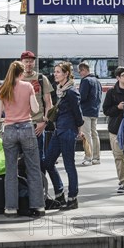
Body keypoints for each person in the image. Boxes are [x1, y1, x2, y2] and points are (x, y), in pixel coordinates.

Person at [0, 61, 45, 217]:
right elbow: (35, 109)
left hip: (9, 130)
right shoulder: (27, 86)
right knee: (33, 169)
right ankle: (38, 207)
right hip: (27, 129)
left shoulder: (2, 89)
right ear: (21, 74)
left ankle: (10, 208)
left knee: (10, 171)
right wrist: (34, 94)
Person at [42, 62, 84, 210]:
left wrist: (79, 129)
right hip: (59, 130)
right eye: (55, 71)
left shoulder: (71, 92)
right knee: (48, 162)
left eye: (58, 72)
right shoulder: (60, 90)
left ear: (66, 74)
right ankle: (59, 193)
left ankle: (73, 198)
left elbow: (78, 113)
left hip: (67, 131)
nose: (55, 74)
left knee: (69, 165)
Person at [102, 66, 124, 194]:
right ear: (118, 78)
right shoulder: (112, 92)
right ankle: (123, 182)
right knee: (118, 156)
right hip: (115, 128)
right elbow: (106, 110)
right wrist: (118, 107)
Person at [20, 51, 54, 164]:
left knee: (39, 158)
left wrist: (45, 122)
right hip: (20, 124)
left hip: (37, 125)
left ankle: (40, 181)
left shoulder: (41, 78)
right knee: (21, 159)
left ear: (34, 63)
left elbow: (49, 103)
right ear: (21, 62)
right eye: (26, 61)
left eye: (31, 61)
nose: (29, 64)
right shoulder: (17, 79)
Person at [78, 62, 102, 166]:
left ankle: (88, 158)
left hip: (86, 111)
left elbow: (82, 97)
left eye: (80, 71)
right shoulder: (97, 81)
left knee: (86, 135)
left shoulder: (85, 81)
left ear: (84, 70)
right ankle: (96, 158)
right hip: (95, 110)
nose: (80, 74)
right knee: (94, 134)